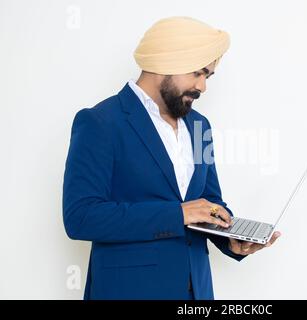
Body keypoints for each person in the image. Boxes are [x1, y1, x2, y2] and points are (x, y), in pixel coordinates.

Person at [62, 16, 280, 300]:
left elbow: (210, 202)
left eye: (208, 77)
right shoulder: (100, 123)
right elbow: (80, 217)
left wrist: (231, 239)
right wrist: (176, 214)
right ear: (166, 62)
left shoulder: (200, 126)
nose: (202, 87)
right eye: (198, 73)